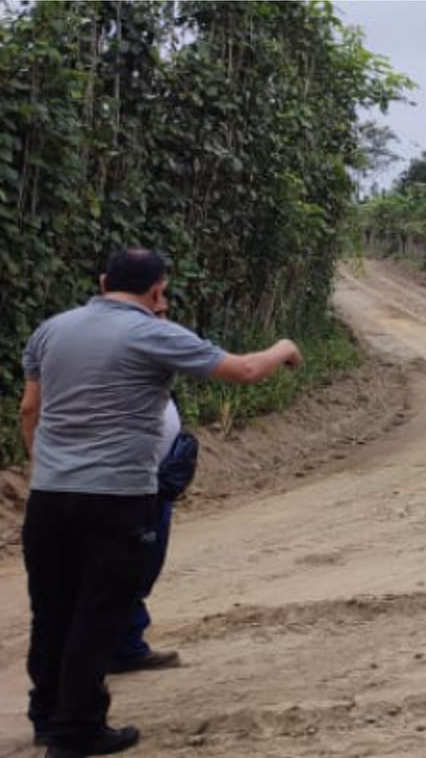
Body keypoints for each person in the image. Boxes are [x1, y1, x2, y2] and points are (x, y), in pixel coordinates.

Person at [20, 248, 301, 758]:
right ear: (156, 291)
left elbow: (30, 408)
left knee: (53, 608)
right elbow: (242, 370)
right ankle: (77, 729)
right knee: (99, 610)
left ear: (103, 282)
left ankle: (46, 715)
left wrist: (46, 465)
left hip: (49, 496)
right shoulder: (150, 332)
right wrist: (283, 347)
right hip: (116, 497)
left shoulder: (50, 330)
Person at [111, 306, 202, 675]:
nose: (163, 317)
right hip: (130, 484)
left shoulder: (148, 351)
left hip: (153, 483)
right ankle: (114, 648)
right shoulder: (117, 353)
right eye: (157, 308)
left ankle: (126, 644)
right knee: (127, 565)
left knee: (142, 566)